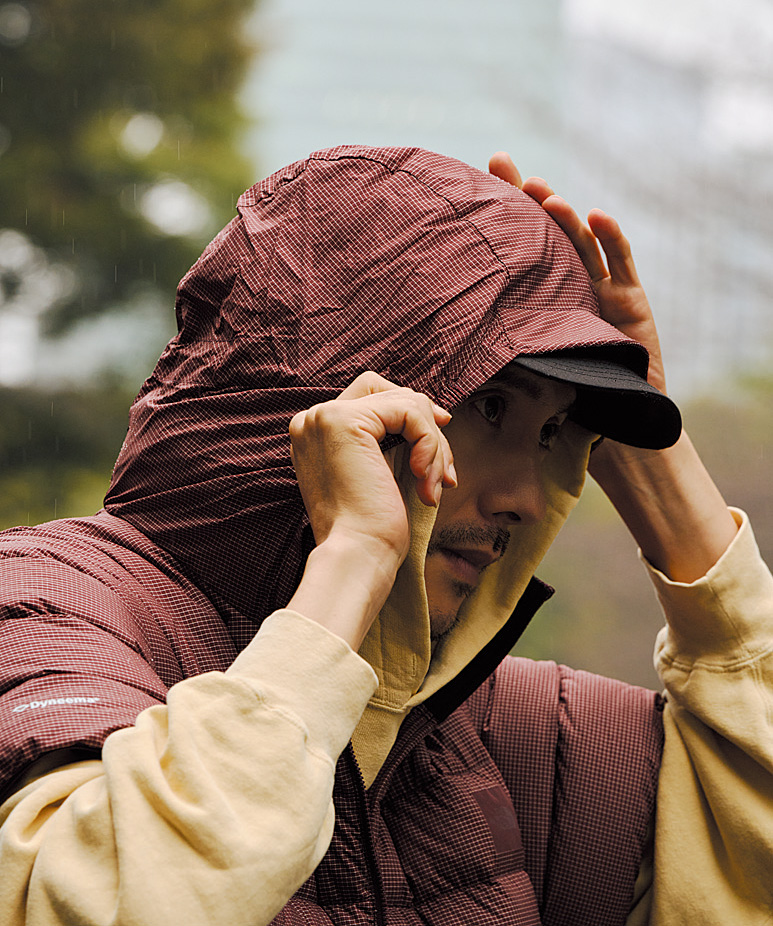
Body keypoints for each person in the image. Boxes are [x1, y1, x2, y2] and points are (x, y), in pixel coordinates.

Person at [0, 144, 770, 926]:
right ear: (338, 387)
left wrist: (654, 462)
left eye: (553, 435)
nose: (526, 501)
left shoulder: (515, 733)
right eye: (494, 408)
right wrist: (355, 556)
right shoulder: (41, 607)